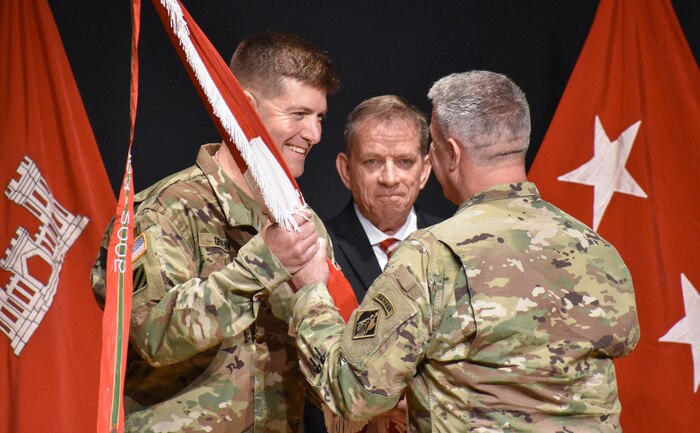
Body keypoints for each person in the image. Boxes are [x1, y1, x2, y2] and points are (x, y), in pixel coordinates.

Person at [287, 70, 640, 432]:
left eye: (432, 150)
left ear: (449, 154)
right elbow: (622, 342)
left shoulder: (432, 255)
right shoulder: (598, 250)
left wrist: (312, 293)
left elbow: (352, 390)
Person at [90, 31, 339, 433]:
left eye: (320, 116)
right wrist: (263, 264)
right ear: (245, 108)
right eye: (298, 115)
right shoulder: (164, 210)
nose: (314, 134)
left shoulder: (302, 222)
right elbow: (152, 333)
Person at [304, 95, 442, 433]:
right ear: (345, 170)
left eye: (405, 162)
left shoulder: (453, 245)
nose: (390, 178)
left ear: (425, 170)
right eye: (373, 162)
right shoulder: (314, 250)